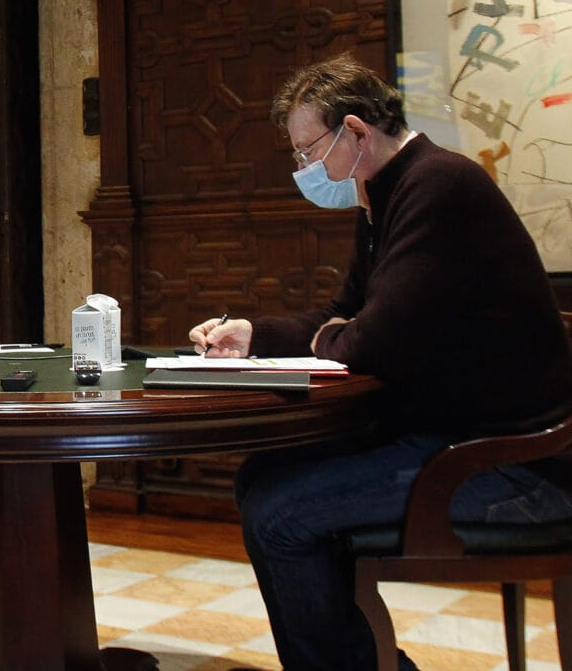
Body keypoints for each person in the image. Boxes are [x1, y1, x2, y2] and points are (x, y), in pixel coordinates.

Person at [187, 53, 572, 671]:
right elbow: (347, 317)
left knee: (278, 512)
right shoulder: (385, 194)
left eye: (308, 152)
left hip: (514, 466)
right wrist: (254, 335)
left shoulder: (438, 186)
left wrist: (344, 334)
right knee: (260, 477)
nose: (304, 170)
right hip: (452, 438)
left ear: (356, 132)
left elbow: (375, 343)